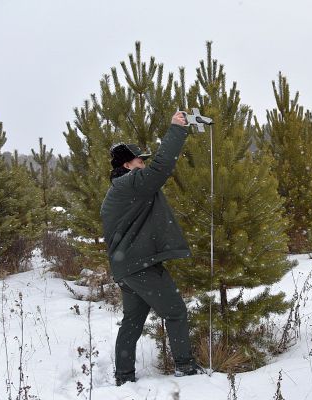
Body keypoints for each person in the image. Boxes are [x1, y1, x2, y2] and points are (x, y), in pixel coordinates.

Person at [100, 111, 199, 386]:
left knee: (132, 321)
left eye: (144, 160)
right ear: (127, 164)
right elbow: (162, 168)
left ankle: (123, 376)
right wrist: (177, 129)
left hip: (128, 267)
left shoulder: (121, 188)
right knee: (176, 311)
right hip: (139, 265)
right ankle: (184, 367)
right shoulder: (130, 183)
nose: (144, 163)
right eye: (140, 160)